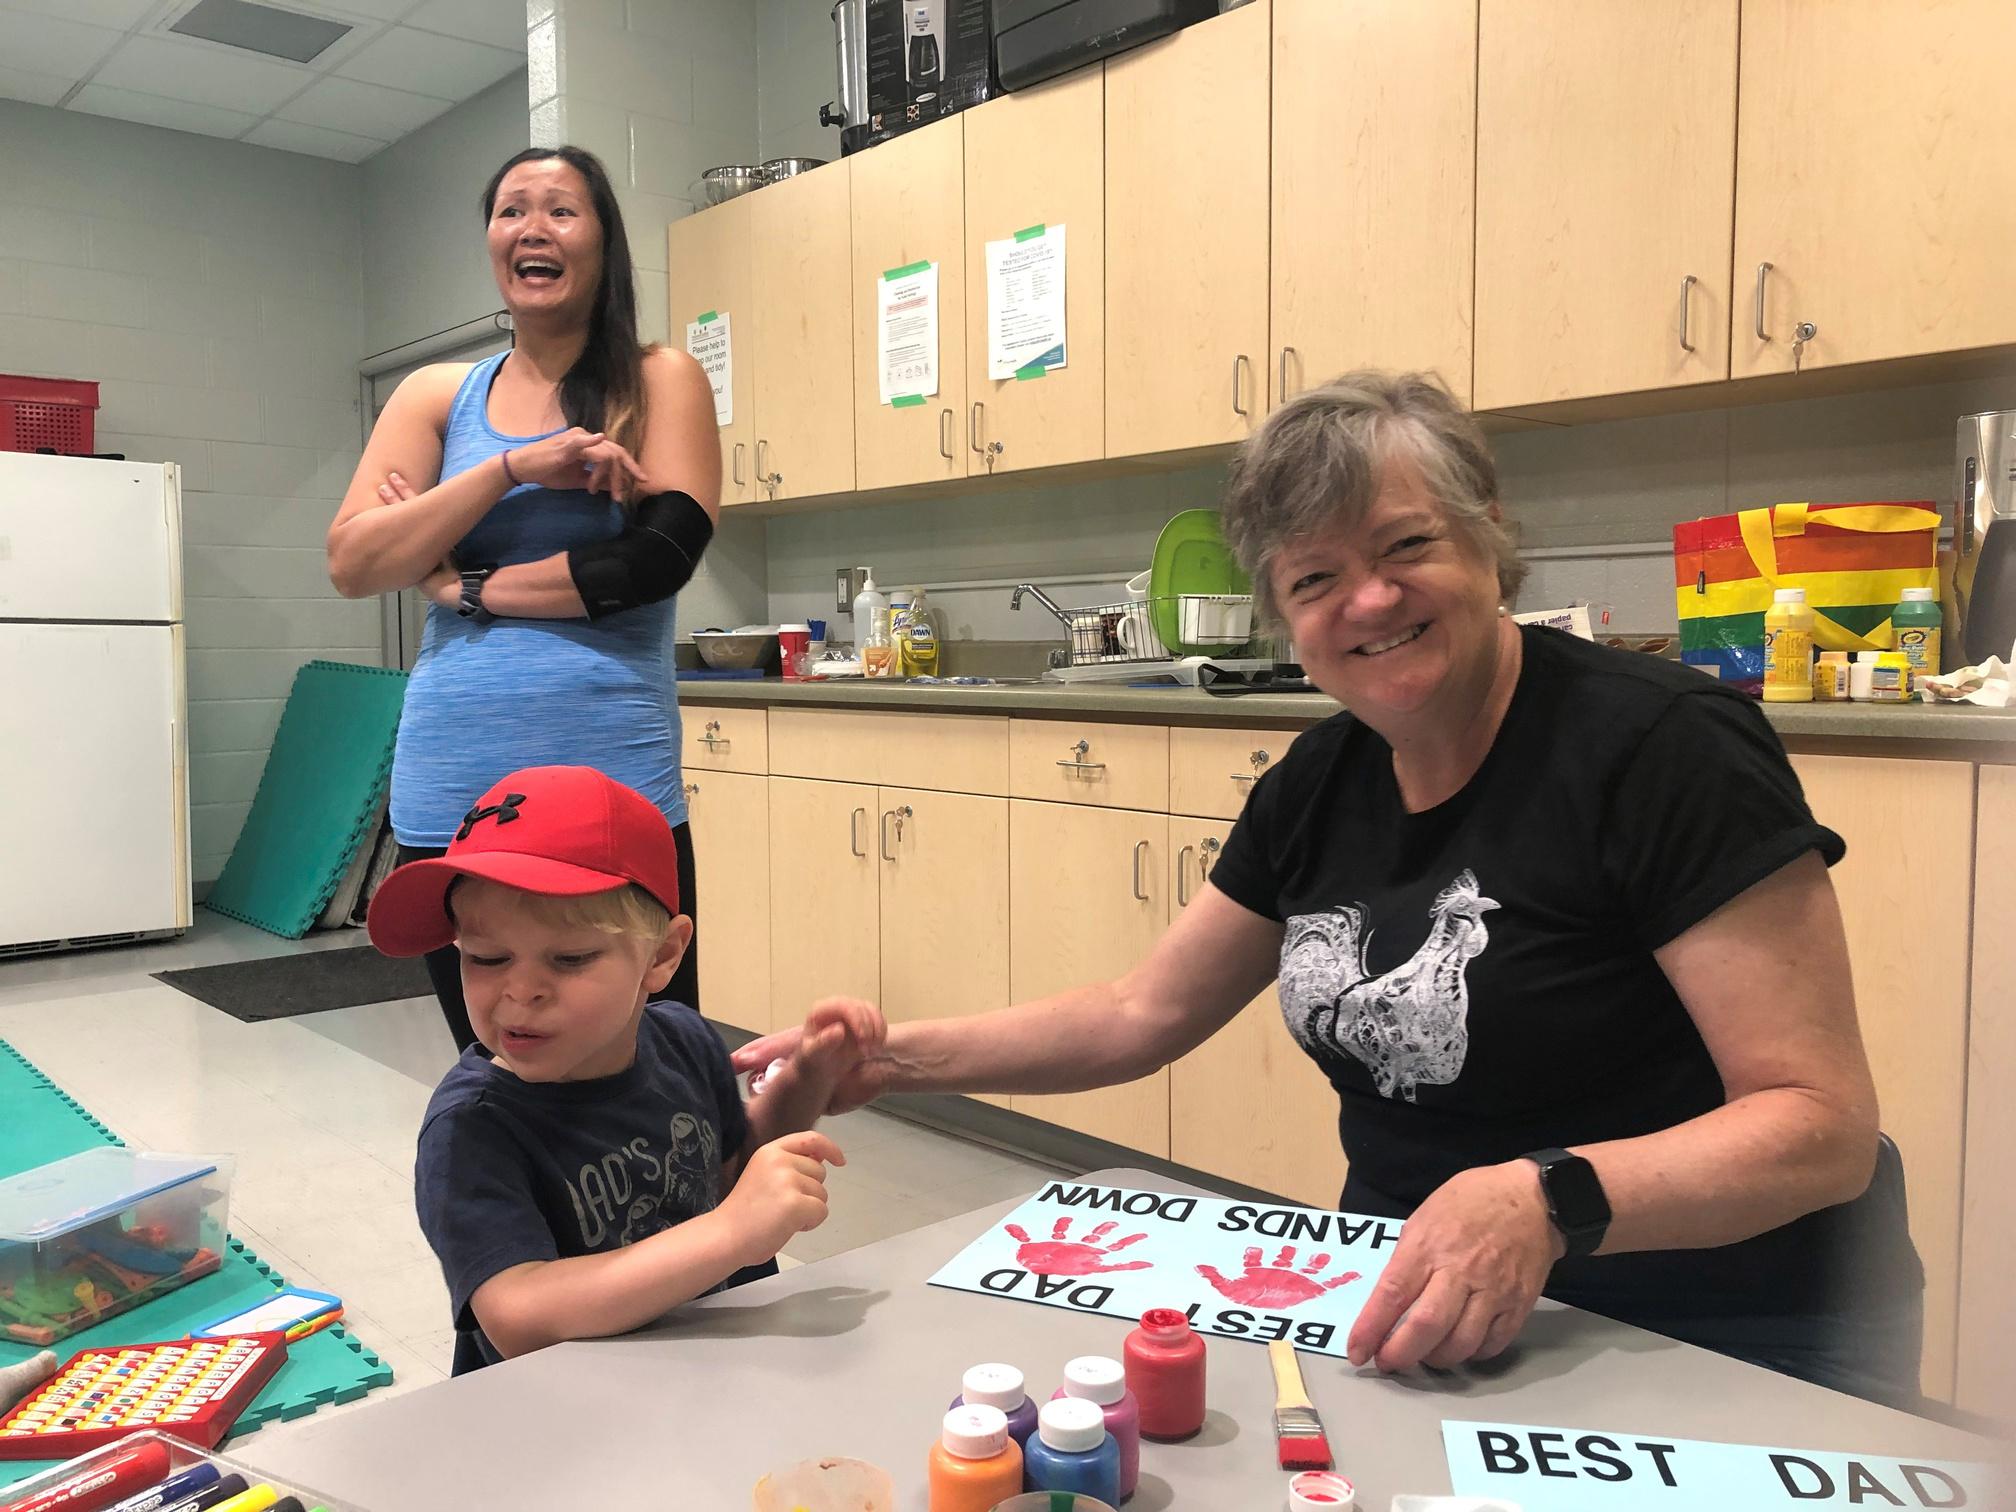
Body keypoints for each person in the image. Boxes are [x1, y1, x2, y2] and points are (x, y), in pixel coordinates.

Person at [737, 370, 1925, 1409]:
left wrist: (1549, 1199)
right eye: (1317, 576)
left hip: (1719, 1320)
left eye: (1406, 547)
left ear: (1489, 536)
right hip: (1422, 1304)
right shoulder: (1317, 783)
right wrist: (888, 1061)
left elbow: (1820, 1127)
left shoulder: (1664, 749)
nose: (1368, 601)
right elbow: (1140, 1011)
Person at [328, 144, 720, 1052]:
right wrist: (508, 470)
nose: (532, 229)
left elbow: (654, 561)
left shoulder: (658, 379)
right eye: (512, 210)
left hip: (610, 783)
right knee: (497, 1062)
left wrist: (461, 584)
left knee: (649, 1068)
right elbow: (354, 563)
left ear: (604, 242)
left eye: (560, 210)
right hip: (455, 784)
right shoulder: (436, 396)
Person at [368, 764, 882, 1375]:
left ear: (662, 956)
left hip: (708, 1374)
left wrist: (807, 1079)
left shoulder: (685, 1041)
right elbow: (518, 1316)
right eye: (486, 957)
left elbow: (731, 1175)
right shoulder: (472, 1127)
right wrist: (730, 1232)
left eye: (569, 959)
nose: (521, 990)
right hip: (565, 1408)